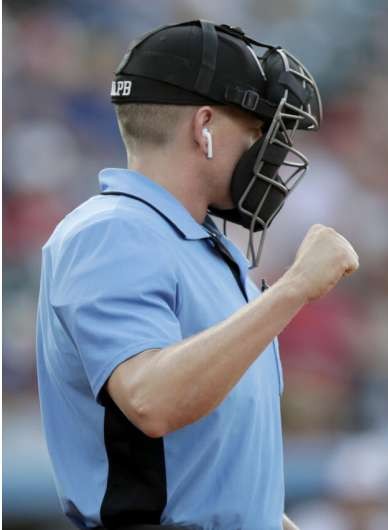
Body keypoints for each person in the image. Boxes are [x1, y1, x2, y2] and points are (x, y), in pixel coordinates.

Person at [35, 20, 358, 530]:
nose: (266, 148)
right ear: (203, 126)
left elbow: (203, 463)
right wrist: (294, 288)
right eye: (254, 129)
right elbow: (151, 400)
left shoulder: (202, 245)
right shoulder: (112, 232)